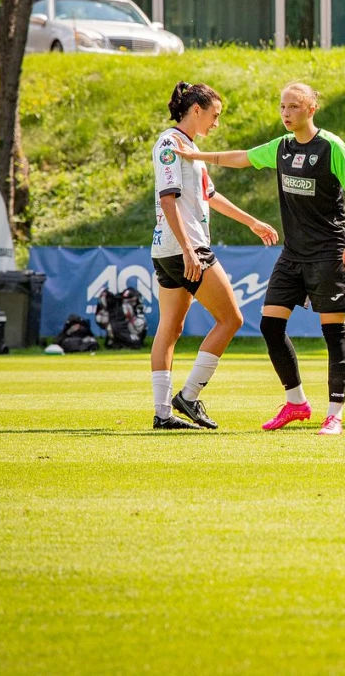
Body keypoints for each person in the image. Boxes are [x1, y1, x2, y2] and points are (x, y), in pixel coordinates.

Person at [175, 82, 345, 436]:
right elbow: (241, 157)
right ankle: (296, 403)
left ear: (311, 109)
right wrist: (196, 156)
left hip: (328, 253)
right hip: (293, 254)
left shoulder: (331, 146)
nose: (286, 113)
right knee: (270, 326)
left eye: (294, 107)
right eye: (282, 107)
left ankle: (334, 414)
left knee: (333, 333)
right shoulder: (281, 148)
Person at [149, 82, 277, 431]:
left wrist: (251, 222)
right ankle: (189, 396)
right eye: (214, 115)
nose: (216, 122)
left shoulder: (189, 147)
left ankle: (163, 413)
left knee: (170, 328)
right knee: (231, 319)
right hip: (185, 248)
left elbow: (211, 195)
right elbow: (167, 200)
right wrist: (189, 250)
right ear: (196, 110)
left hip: (167, 250)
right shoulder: (170, 143)